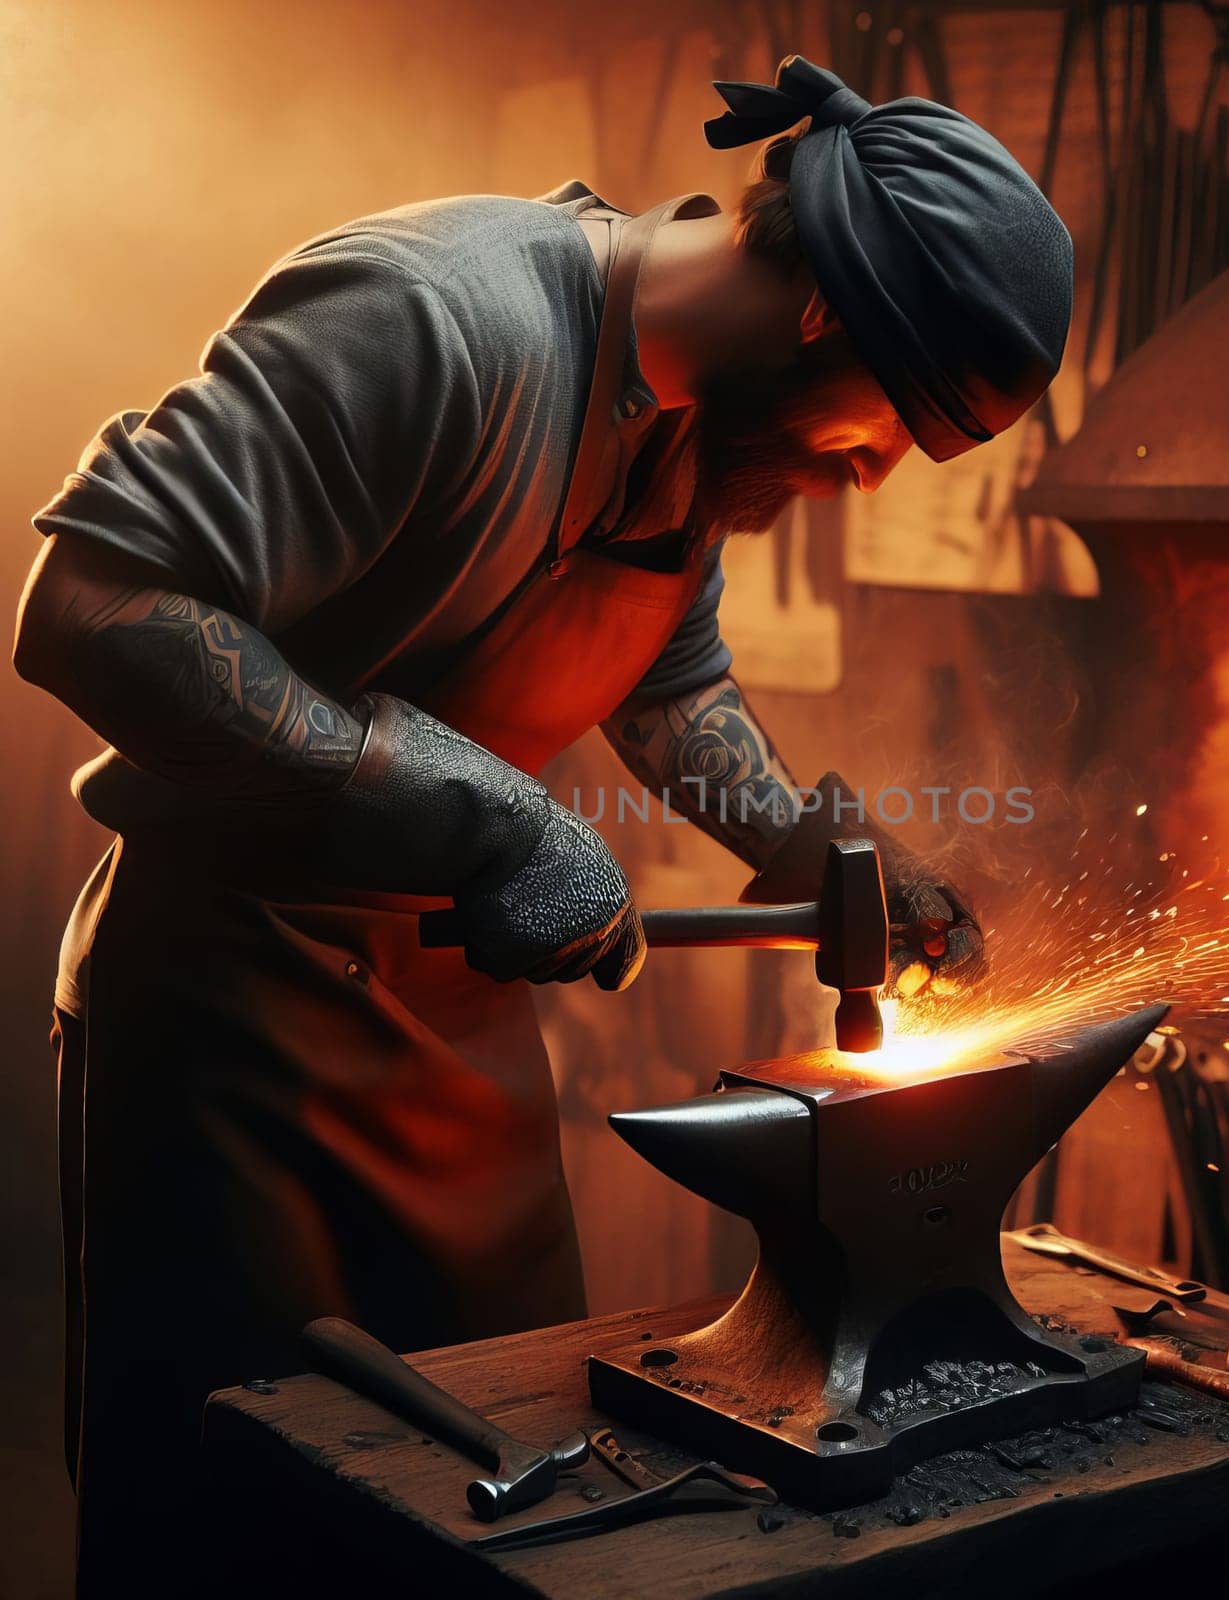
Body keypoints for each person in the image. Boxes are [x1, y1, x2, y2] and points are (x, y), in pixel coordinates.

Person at [13, 54, 1073, 1589]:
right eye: (892, 430)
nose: (868, 474)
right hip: (229, 1015)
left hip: (464, 1029)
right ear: (828, 306)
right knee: (241, 1521)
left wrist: (799, 846)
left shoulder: (707, 424)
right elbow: (90, 602)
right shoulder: (437, 320)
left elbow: (670, 682)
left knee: (511, 1497)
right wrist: (452, 796)